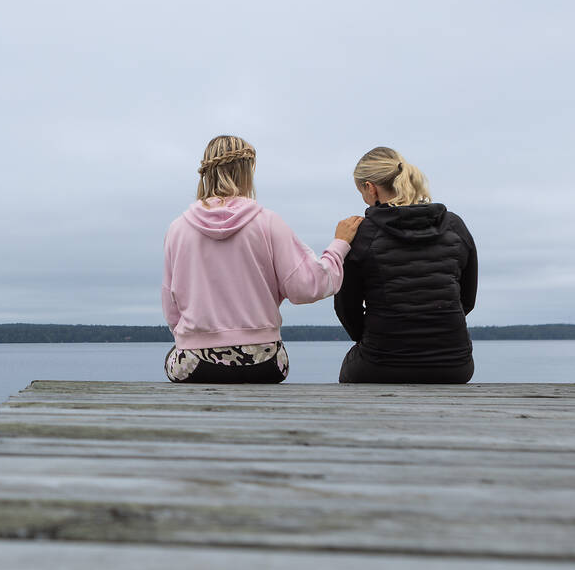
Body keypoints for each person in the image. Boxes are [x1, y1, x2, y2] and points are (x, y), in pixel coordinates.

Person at [162, 135, 362, 384]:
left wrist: (194, 339)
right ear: (248, 171)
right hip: (265, 363)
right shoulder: (268, 222)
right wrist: (339, 246)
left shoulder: (178, 228)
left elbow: (172, 307)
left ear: (206, 171)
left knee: (174, 355)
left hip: (195, 364)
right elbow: (307, 287)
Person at [334, 146, 478, 384]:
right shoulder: (454, 226)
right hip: (454, 363)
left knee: (351, 369)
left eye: (361, 191)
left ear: (370, 188)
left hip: (379, 363)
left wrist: (370, 339)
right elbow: (467, 300)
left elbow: (346, 306)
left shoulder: (362, 234)